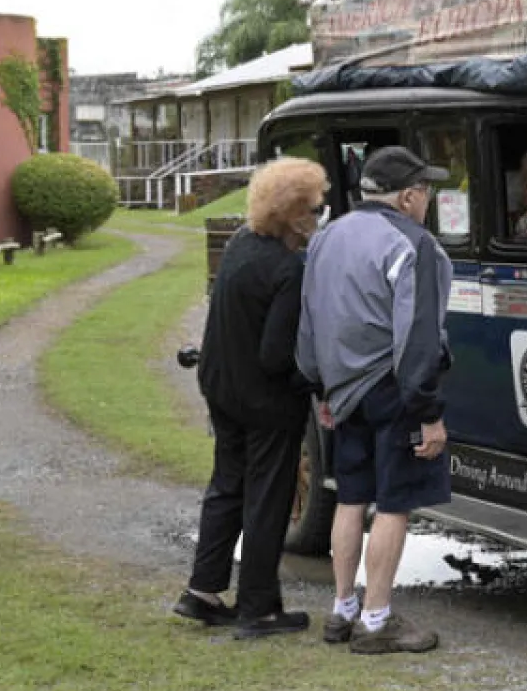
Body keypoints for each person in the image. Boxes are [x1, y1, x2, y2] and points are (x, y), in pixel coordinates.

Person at [296, 145, 454, 654]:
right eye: (426, 189)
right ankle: (376, 618)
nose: (429, 199)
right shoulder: (415, 244)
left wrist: (321, 387)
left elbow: (309, 322)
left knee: (350, 496)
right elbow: (419, 335)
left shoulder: (326, 237)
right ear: (408, 196)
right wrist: (428, 412)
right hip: (394, 387)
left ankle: (342, 608)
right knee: (395, 503)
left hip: (342, 390)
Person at [173, 157, 326, 639]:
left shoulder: (241, 244)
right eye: (315, 210)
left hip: (222, 387)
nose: (320, 218)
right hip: (264, 400)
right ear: (295, 214)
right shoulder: (288, 268)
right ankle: (259, 605)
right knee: (268, 498)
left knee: (227, 485)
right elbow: (276, 355)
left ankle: (202, 591)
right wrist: (316, 380)